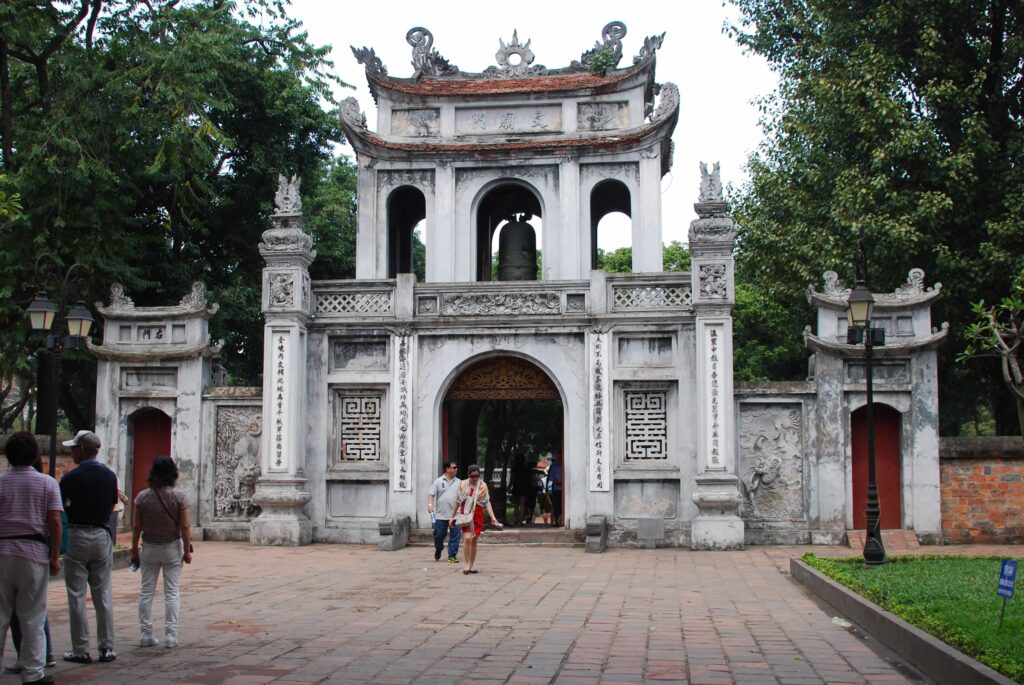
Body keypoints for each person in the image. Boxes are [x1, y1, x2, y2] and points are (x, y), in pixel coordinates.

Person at [0, 432, 63, 685]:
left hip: (2, 551)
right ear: (36, 455)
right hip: (34, 552)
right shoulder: (47, 483)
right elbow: (55, 522)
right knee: (32, 616)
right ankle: (33, 674)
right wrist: (56, 556)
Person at [59, 430, 118, 664]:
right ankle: (107, 647)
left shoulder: (71, 478)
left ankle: (81, 648)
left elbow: (62, 507)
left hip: (78, 533)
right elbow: (113, 503)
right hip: (102, 533)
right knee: (103, 594)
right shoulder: (109, 476)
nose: (72, 451)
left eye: (74, 447)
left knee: (76, 594)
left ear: (83, 449)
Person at [131, 456, 193, 648]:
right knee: (172, 592)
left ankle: (145, 633)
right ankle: (171, 635)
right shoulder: (179, 497)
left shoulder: (142, 497)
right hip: (172, 548)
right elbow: (185, 526)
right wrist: (188, 549)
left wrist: (134, 549)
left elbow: (136, 526)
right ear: (173, 474)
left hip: (149, 547)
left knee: (146, 592)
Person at [449, 464, 502, 575]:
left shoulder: (483, 486)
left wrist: (492, 517)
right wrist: (452, 516)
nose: (475, 478)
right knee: (467, 538)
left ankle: (471, 565)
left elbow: (487, 502)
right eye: (473, 476)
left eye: (477, 476)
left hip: (477, 514)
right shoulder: (462, 484)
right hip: (465, 514)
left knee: (474, 540)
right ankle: (467, 564)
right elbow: (457, 501)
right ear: (469, 475)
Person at [427, 461, 461, 563]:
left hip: (455, 515)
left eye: (456, 467)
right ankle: (439, 548)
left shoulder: (459, 482)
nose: (456, 469)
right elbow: (431, 494)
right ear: (447, 469)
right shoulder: (438, 481)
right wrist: (430, 506)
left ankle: (452, 555)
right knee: (439, 534)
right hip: (440, 515)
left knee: (455, 536)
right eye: (454, 467)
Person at [547, 453, 563, 527]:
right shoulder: (553, 466)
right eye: (557, 457)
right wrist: (556, 481)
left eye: (560, 457)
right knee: (556, 506)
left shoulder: (565, 464)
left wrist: (563, 481)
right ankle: (557, 522)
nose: (558, 458)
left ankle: (563, 521)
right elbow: (550, 477)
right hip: (556, 489)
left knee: (563, 506)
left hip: (565, 490)